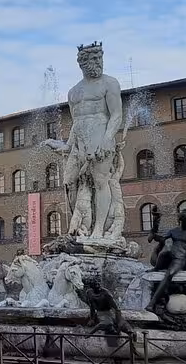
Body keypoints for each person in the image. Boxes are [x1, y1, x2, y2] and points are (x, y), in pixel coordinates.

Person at [46, 43, 123, 239]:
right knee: (70, 181)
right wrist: (68, 145)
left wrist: (107, 139)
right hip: (79, 143)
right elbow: (76, 122)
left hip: (100, 138)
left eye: (99, 58)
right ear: (82, 63)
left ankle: (98, 229)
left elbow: (116, 115)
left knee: (100, 182)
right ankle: (81, 227)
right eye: (93, 59)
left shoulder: (110, 83)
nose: (98, 63)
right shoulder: (73, 92)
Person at [145, 209, 186, 313]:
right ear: (180, 220)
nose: (183, 222)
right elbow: (156, 239)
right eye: (182, 220)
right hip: (171, 256)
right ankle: (156, 268)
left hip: (180, 259)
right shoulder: (173, 231)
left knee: (169, 274)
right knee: (163, 254)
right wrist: (155, 222)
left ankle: (151, 303)